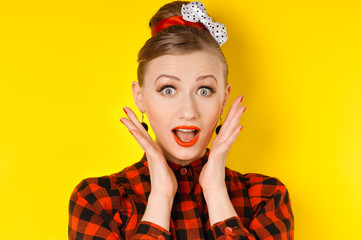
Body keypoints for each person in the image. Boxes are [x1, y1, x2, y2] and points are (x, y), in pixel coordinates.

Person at [68, 1, 294, 239]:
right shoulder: (97, 200)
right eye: (168, 89)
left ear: (224, 99)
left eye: (204, 90)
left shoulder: (266, 196)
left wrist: (215, 190)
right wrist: (161, 197)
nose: (188, 112)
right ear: (140, 97)